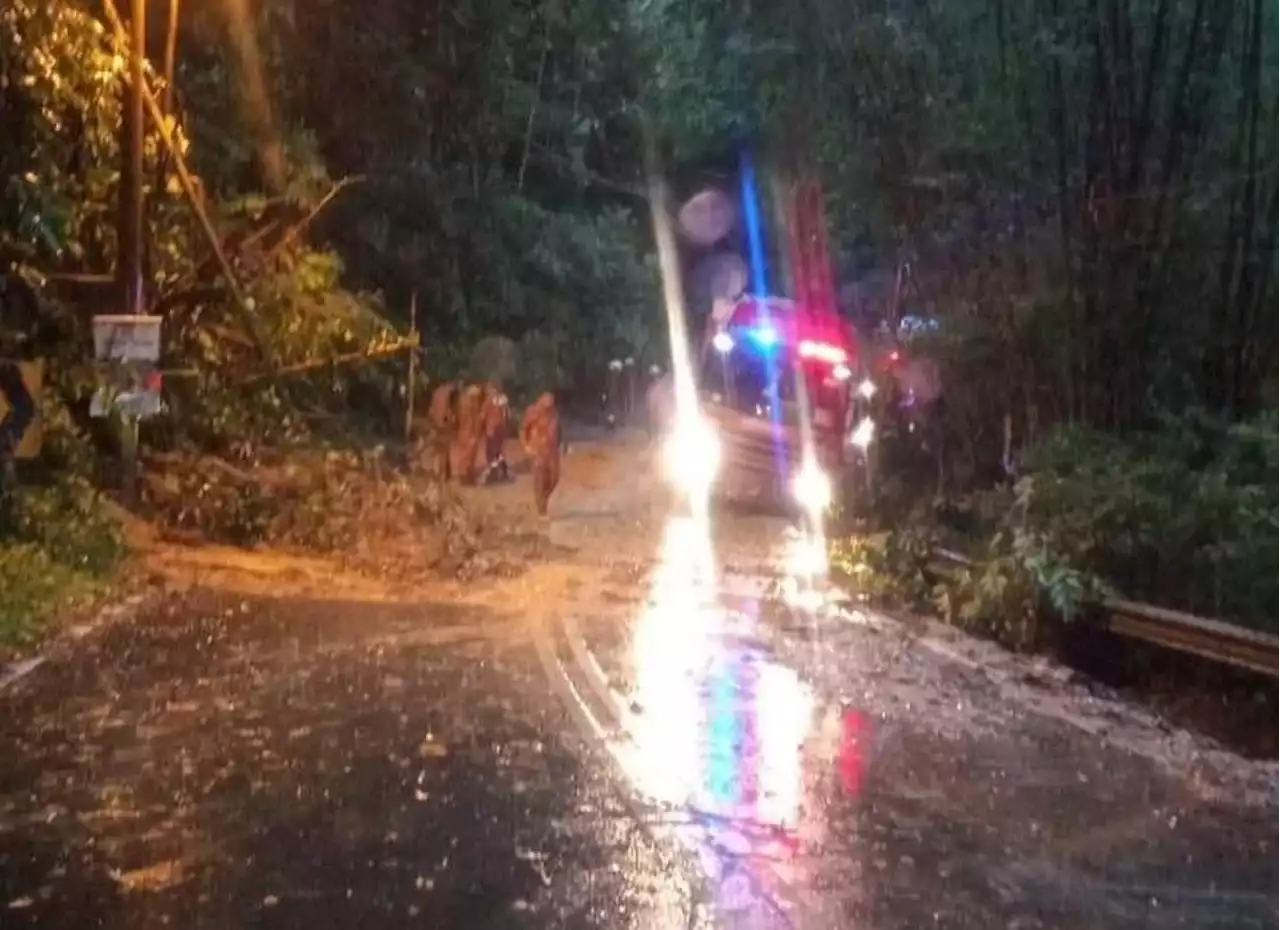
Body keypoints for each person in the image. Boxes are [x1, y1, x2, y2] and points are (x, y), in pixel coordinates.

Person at [520, 391, 561, 517]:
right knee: (540, 480)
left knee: (554, 478)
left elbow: (559, 431)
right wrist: (526, 445)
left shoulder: (554, 413)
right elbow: (523, 429)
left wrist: (562, 445)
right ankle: (541, 508)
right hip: (538, 450)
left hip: (552, 452)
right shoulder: (533, 411)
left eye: (551, 402)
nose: (549, 405)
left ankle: (544, 497)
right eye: (547, 402)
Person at [450, 383, 485, 485]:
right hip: (469, 433)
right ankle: (467, 478)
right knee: (469, 457)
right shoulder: (471, 406)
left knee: (464, 457)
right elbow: (472, 422)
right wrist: (474, 435)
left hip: (463, 433)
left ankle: (465, 477)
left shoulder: (462, 404)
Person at [478, 382, 510, 483]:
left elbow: (482, 415)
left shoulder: (488, 400)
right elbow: (508, 415)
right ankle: (504, 470)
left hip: (491, 429)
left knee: (491, 453)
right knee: (499, 450)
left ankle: (494, 474)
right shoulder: (503, 400)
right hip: (501, 429)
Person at [427, 380, 460, 478]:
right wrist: (451, 419)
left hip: (435, 420)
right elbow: (450, 407)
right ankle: (442, 473)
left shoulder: (436, 392)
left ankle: (439, 470)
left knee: (438, 447)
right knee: (444, 449)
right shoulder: (451, 392)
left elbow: (431, 409)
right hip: (444, 421)